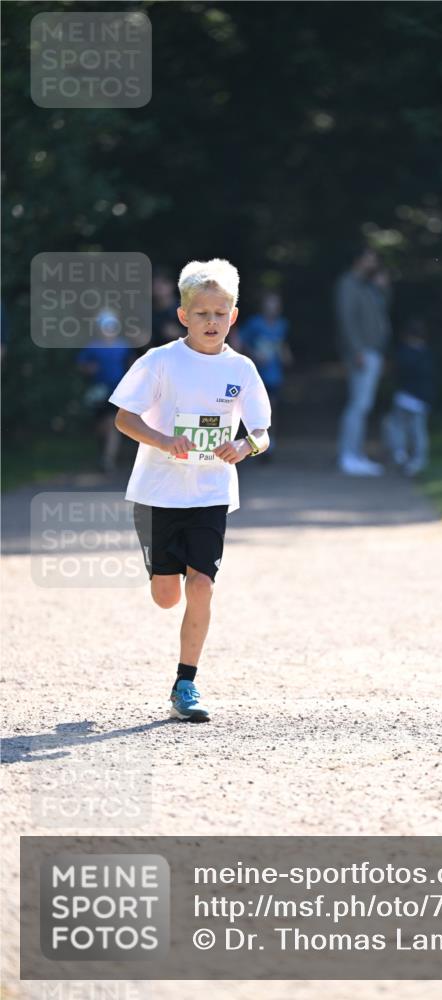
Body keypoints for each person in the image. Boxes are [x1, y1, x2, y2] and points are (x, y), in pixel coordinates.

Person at [109, 258, 271, 723]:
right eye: (202, 313)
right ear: (184, 316)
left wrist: (247, 446)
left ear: (233, 316)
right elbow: (124, 416)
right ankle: (166, 571)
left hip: (210, 493)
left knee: (200, 585)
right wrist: (164, 441)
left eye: (221, 313)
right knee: (166, 595)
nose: (212, 322)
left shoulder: (241, 368)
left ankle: (186, 683)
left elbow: (262, 430)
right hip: (158, 492)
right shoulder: (160, 361)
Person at [335, 247, 391, 476]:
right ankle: (348, 456)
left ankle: (356, 454)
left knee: (363, 405)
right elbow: (346, 319)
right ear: (358, 260)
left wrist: (384, 289)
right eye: (368, 259)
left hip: (373, 351)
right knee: (358, 405)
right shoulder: (348, 284)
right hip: (362, 353)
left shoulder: (369, 285)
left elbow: (382, 312)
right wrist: (356, 350)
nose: (372, 263)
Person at [77, 310, 135, 474]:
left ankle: (108, 459)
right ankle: (104, 454)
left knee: (112, 423)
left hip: (117, 391)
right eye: (105, 326)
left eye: (112, 326)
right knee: (101, 426)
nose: (109, 330)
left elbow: (132, 363)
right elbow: (82, 365)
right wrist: (88, 369)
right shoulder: (93, 346)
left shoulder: (123, 345)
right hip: (98, 392)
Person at [238, 291, 292, 456]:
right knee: (248, 409)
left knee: (271, 408)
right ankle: (245, 443)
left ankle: (268, 443)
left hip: (274, 375)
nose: (272, 307)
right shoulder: (254, 323)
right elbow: (241, 341)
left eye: (276, 303)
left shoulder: (282, 324)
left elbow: (281, 344)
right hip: (256, 375)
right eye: (269, 303)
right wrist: (254, 355)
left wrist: (286, 355)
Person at [382, 319, 435, 476]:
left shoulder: (404, 353)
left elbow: (397, 373)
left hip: (405, 398)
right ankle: (419, 459)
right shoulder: (427, 355)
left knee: (397, 426)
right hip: (421, 400)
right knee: (418, 431)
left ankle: (400, 453)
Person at [151, 268, 182, 348]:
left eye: (163, 283)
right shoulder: (147, 311)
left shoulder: (185, 309)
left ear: (172, 285)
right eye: (155, 283)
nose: (158, 287)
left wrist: (180, 334)